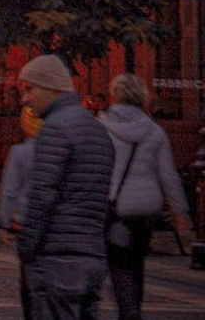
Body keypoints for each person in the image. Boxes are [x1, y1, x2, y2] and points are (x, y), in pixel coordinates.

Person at [16, 53, 115, 320]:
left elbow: (43, 195)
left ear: (51, 88)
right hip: (92, 257)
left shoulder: (54, 129)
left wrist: (26, 247)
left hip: (57, 258)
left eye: (29, 89)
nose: (25, 99)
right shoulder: (98, 131)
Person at [100, 72, 192, 320]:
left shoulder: (103, 127)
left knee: (119, 267)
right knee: (137, 262)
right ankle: (134, 308)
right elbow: (168, 176)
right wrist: (179, 213)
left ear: (115, 96)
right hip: (146, 210)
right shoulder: (154, 130)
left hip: (117, 207)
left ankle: (129, 311)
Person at [0, 106, 43, 320]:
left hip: (25, 221)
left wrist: (3, 223)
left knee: (28, 277)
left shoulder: (20, 151)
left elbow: (9, 190)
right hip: (51, 222)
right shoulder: (58, 148)